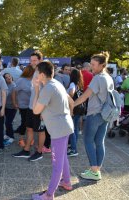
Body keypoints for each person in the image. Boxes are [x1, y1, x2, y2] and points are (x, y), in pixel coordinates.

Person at [32, 61, 74, 200]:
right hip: (64, 126)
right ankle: (67, 182)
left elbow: (36, 110)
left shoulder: (48, 88)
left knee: (57, 162)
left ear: (42, 75)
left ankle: (49, 194)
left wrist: (36, 89)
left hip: (59, 130)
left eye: (37, 72)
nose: (36, 74)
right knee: (62, 158)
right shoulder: (55, 83)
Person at [74, 52, 114, 181]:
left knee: (88, 141)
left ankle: (93, 170)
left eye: (93, 64)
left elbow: (85, 95)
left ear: (102, 65)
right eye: (91, 64)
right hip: (105, 114)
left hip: (95, 113)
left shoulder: (98, 78)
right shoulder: (108, 77)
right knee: (99, 142)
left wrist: (71, 105)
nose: (91, 67)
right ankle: (97, 170)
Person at [12, 51, 49, 162]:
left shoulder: (44, 73)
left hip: (40, 108)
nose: (32, 62)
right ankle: (26, 150)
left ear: (40, 60)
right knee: (29, 128)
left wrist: (43, 110)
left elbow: (46, 92)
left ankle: (39, 152)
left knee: (41, 131)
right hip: (31, 107)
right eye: (31, 60)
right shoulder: (35, 72)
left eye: (34, 60)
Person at [12, 65, 34, 146]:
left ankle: (30, 138)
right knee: (24, 123)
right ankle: (21, 139)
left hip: (32, 105)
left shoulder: (34, 80)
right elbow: (14, 91)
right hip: (23, 106)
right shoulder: (21, 80)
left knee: (31, 124)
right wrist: (15, 102)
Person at [67, 68, 84, 157]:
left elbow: (71, 94)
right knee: (76, 128)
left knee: (72, 129)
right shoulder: (80, 84)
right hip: (80, 108)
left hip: (73, 108)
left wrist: (67, 97)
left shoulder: (73, 84)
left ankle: (73, 149)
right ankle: (73, 144)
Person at [3, 73, 16, 146]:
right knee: (6, 122)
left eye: (9, 76)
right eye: (6, 77)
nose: (8, 78)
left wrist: (15, 105)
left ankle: (11, 137)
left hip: (12, 107)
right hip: (6, 106)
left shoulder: (14, 85)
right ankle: (8, 135)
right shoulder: (5, 85)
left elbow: (15, 97)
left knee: (8, 122)